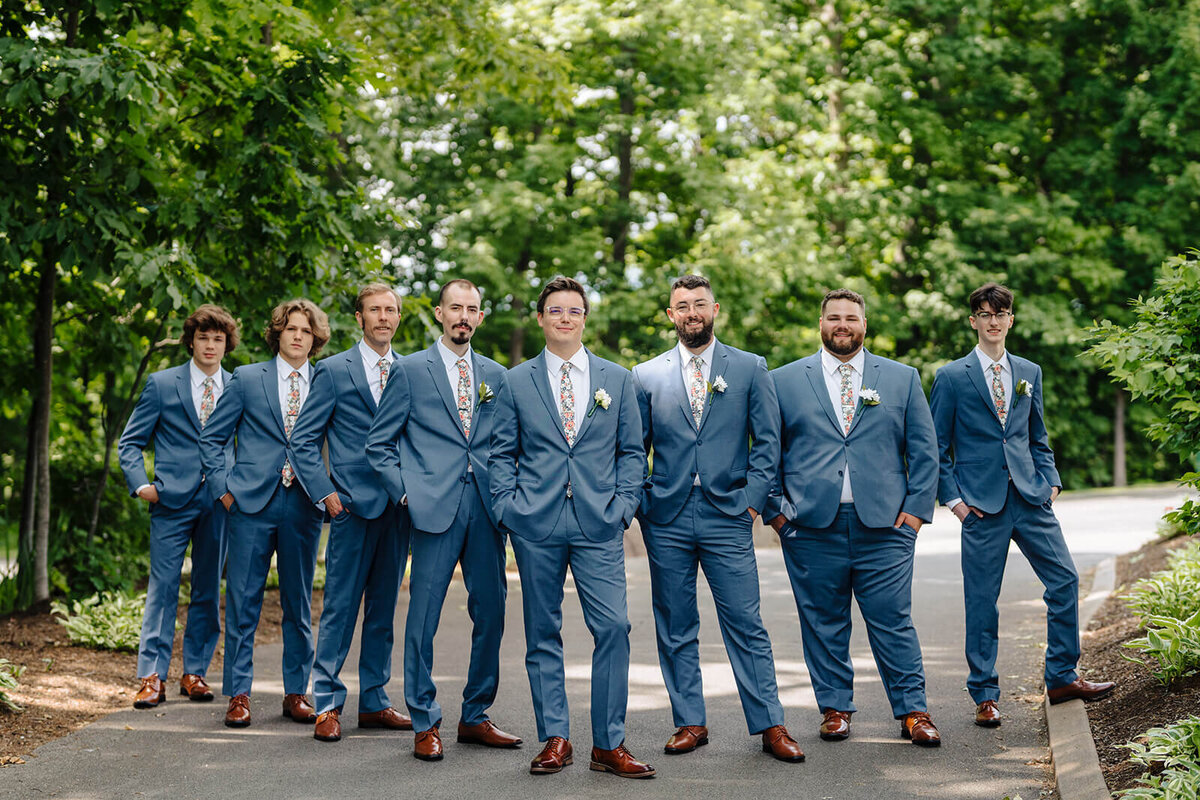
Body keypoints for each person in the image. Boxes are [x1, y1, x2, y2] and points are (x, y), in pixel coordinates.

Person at [631, 274, 803, 762]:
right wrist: (645, 501)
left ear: (715, 309)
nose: (691, 312)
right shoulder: (645, 375)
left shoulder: (749, 367)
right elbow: (633, 448)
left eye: (699, 304)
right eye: (682, 305)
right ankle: (689, 721)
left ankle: (770, 723)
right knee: (675, 623)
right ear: (670, 315)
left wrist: (751, 500)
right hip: (666, 517)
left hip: (728, 513)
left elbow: (768, 442)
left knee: (746, 621)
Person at [489, 276, 654, 778]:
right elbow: (502, 454)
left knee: (614, 627)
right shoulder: (516, 381)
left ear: (585, 319)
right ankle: (555, 737)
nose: (565, 318)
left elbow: (632, 452)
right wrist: (508, 508)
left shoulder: (618, 379)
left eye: (574, 311)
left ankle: (608, 743)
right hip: (535, 523)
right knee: (542, 632)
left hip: (599, 521)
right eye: (555, 310)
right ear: (540, 318)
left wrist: (624, 505)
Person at [929, 282, 1114, 727]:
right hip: (981, 506)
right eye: (984, 313)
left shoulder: (1030, 371)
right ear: (973, 320)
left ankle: (1062, 676)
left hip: (1031, 499)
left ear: (1011, 319)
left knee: (1065, 581)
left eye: (1001, 313)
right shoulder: (952, 377)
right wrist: (955, 502)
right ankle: (985, 695)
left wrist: (1050, 481)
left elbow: (1038, 437)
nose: (993, 321)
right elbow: (936, 449)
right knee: (981, 601)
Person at [766, 289, 942, 747]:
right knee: (823, 621)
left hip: (886, 528)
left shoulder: (902, 378)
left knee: (892, 620)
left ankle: (914, 711)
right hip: (809, 528)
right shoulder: (783, 380)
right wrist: (779, 516)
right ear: (820, 323)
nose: (842, 324)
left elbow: (925, 451)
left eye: (851, 317)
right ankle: (835, 709)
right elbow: (768, 454)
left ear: (865, 323)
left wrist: (915, 516)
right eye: (833, 317)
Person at [365, 279, 521, 761]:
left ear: (480, 317)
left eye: (472, 309)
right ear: (438, 313)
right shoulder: (410, 370)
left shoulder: (498, 374)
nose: (463, 316)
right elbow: (379, 444)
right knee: (423, 619)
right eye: (456, 307)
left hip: (486, 508)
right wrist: (407, 491)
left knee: (492, 612)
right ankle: (425, 721)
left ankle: (474, 715)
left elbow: (506, 444)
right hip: (432, 509)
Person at [289, 283, 412, 742]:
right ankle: (328, 704)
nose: (383, 317)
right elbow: (302, 440)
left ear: (398, 318)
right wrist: (326, 495)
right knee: (339, 608)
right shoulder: (333, 370)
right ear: (359, 319)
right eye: (374, 310)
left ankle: (376, 701)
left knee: (383, 609)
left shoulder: (411, 370)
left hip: (398, 508)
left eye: (390, 310)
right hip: (349, 507)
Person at [199, 299, 330, 728]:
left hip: (303, 504)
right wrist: (224, 491)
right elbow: (212, 440)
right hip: (250, 504)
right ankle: (238, 694)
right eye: (291, 329)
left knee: (297, 602)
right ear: (278, 333)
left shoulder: (328, 380)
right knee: (243, 602)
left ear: (315, 338)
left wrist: (331, 491)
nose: (298, 336)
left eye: (306, 331)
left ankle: (296, 694)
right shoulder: (247, 378)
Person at [118, 304, 239, 709]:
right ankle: (151, 676)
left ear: (227, 345)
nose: (210, 345)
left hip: (219, 502)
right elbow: (130, 442)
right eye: (203, 337)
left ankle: (195, 672)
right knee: (163, 588)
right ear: (191, 340)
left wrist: (238, 487)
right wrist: (141, 486)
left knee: (207, 588)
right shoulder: (162, 383)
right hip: (170, 500)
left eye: (218, 339)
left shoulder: (239, 384)